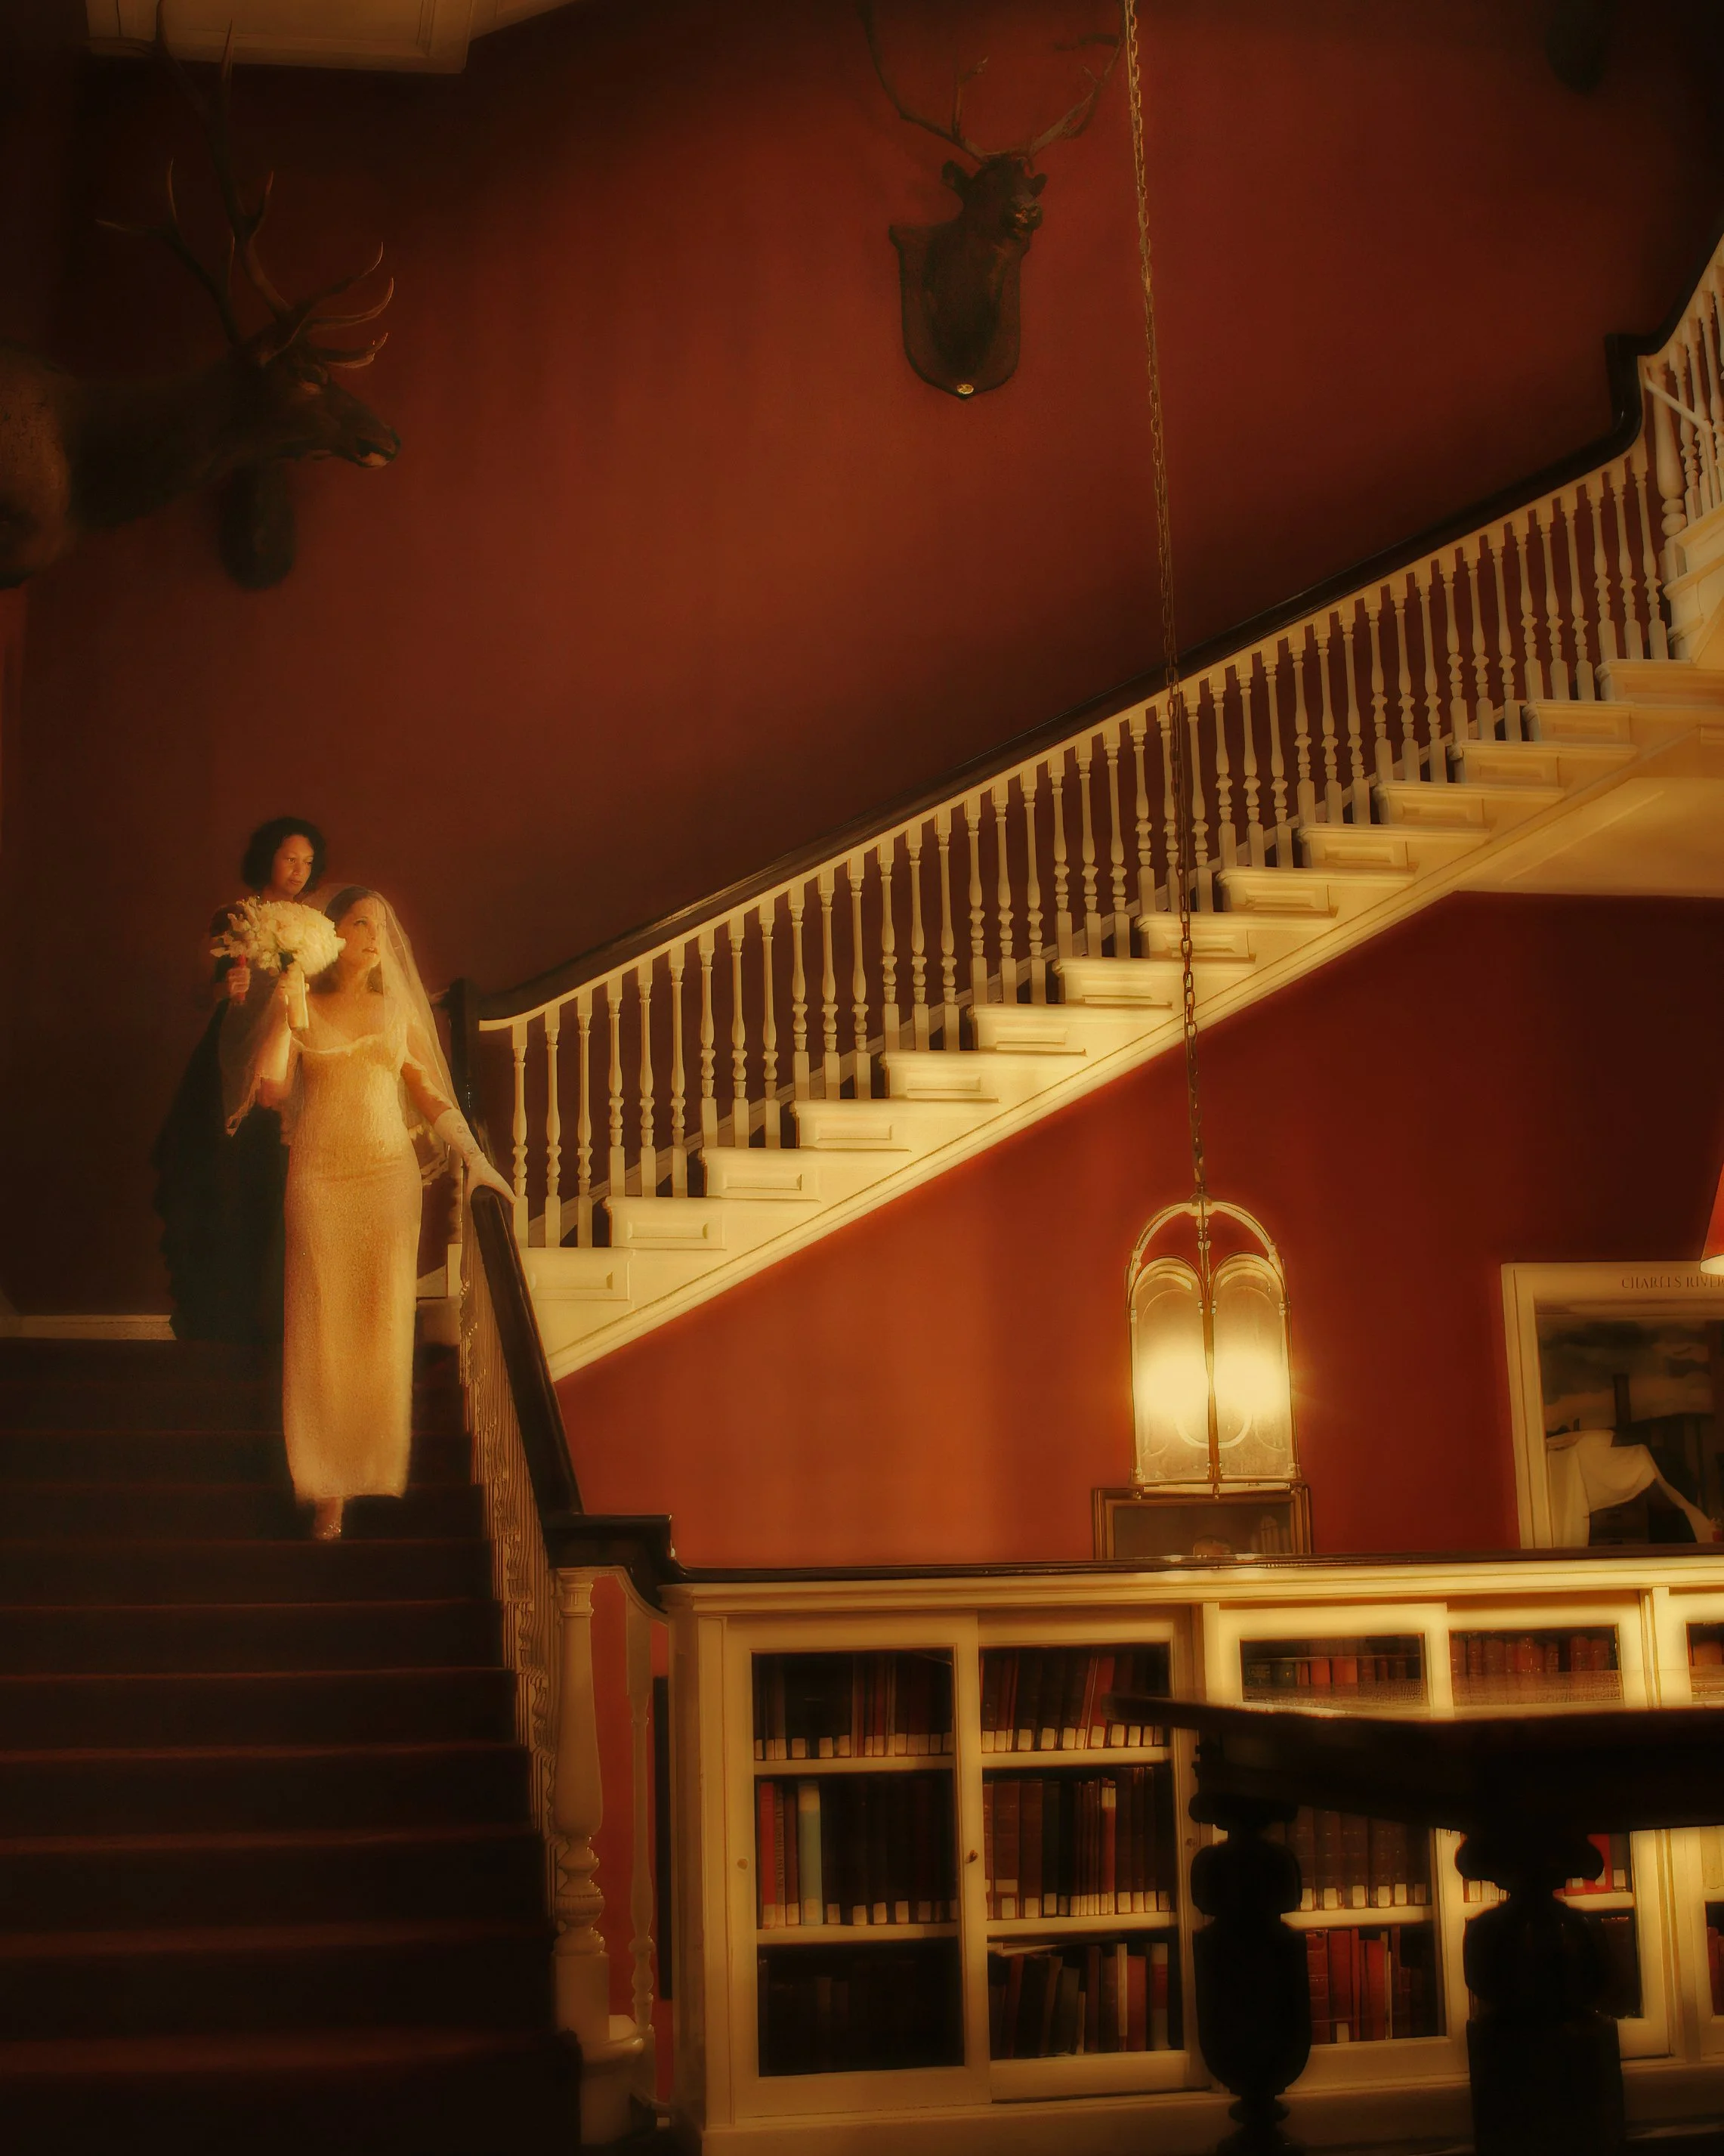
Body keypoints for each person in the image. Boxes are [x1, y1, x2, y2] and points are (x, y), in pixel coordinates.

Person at [232, 886, 511, 1540]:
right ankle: (325, 1481)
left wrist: (476, 1158)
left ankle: (371, 1464)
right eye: (361, 923)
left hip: (387, 1178)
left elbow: (429, 1091)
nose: (373, 935)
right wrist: (283, 1004)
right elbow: (272, 1088)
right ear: (329, 934)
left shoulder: (394, 1011)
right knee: (321, 1323)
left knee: (379, 1320)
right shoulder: (303, 1002)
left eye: (381, 925)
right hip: (320, 1178)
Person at [150, 817, 326, 1342]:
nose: (298, 871)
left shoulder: (318, 928)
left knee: (275, 1187)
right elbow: (198, 995)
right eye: (289, 858)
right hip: (226, 1065)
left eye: (308, 862)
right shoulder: (232, 916)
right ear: (267, 858)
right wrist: (225, 989)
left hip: (289, 1066)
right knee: (218, 1181)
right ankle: (215, 1319)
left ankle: (270, 1320)